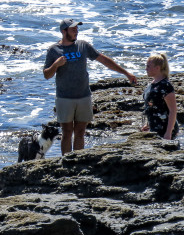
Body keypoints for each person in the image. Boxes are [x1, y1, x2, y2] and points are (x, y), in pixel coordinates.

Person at [43, 18, 137, 155]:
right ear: (64, 31)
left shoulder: (83, 46)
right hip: (64, 98)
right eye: (73, 29)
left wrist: (126, 73)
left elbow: (104, 60)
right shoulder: (54, 50)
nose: (76, 31)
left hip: (84, 96)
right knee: (67, 132)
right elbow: (47, 75)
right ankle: (66, 163)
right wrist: (56, 65)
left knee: (80, 132)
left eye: (77, 29)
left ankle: (79, 160)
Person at [141, 52, 178, 140]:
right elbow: (151, 107)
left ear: (157, 68)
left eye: (148, 66)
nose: (146, 69)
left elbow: (173, 111)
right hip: (154, 127)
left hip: (165, 129)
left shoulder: (165, 86)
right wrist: (147, 125)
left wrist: (168, 133)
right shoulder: (151, 85)